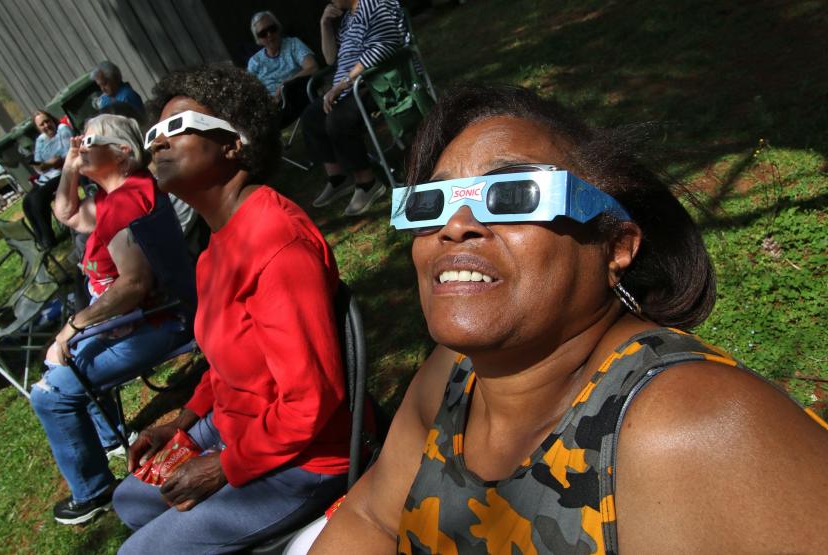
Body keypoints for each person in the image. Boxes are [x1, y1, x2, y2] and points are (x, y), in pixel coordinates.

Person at [309, 84, 828, 553]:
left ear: (616, 246)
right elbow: (372, 517)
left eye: (512, 196)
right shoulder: (451, 375)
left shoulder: (688, 427)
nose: (456, 226)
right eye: (430, 203)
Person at [111, 65, 351, 553]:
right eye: (153, 132)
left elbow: (311, 402)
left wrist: (224, 465)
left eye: (176, 128)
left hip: (305, 457)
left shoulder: (275, 243)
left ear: (234, 145)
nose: (156, 142)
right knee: (130, 501)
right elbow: (228, 362)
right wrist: (184, 419)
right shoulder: (215, 247)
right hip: (237, 423)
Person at [30, 113, 192, 525]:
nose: (81, 145)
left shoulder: (125, 202)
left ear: (122, 153)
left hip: (159, 320)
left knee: (49, 393)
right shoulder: (111, 195)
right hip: (133, 319)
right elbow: (66, 212)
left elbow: (135, 284)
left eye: (90, 141)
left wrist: (74, 326)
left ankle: (94, 490)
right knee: (61, 362)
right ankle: (108, 438)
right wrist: (70, 164)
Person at [302, 0, 405, 216]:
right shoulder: (348, 18)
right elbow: (331, 59)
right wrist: (325, 25)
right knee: (311, 117)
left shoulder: (375, 5)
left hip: (377, 82)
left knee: (338, 120)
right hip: (350, 87)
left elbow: (384, 45)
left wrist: (343, 84)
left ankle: (367, 183)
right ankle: (338, 178)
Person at [247, 11, 319, 127]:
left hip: (293, 99)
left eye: (272, 28)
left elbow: (313, 67)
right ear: (258, 40)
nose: (269, 34)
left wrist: (286, 84)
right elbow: (250, 90)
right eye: (263, 34)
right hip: (265, 106)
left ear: (278, 28)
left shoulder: (293, 44)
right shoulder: (254, 61)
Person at [22, 110, 73, 250]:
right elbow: (38, 164)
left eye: (47, 121)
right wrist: (44, 165)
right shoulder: (41, 140)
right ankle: (40, 239)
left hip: (64, 173)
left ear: (52, 119)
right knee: (27, 202)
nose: (46, 126)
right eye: (41, 124)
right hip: (46, 176)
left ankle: (49, 239)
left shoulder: (63, 130)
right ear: (38, 128)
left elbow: (67, 155)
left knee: (38, 199)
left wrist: (50, 164)